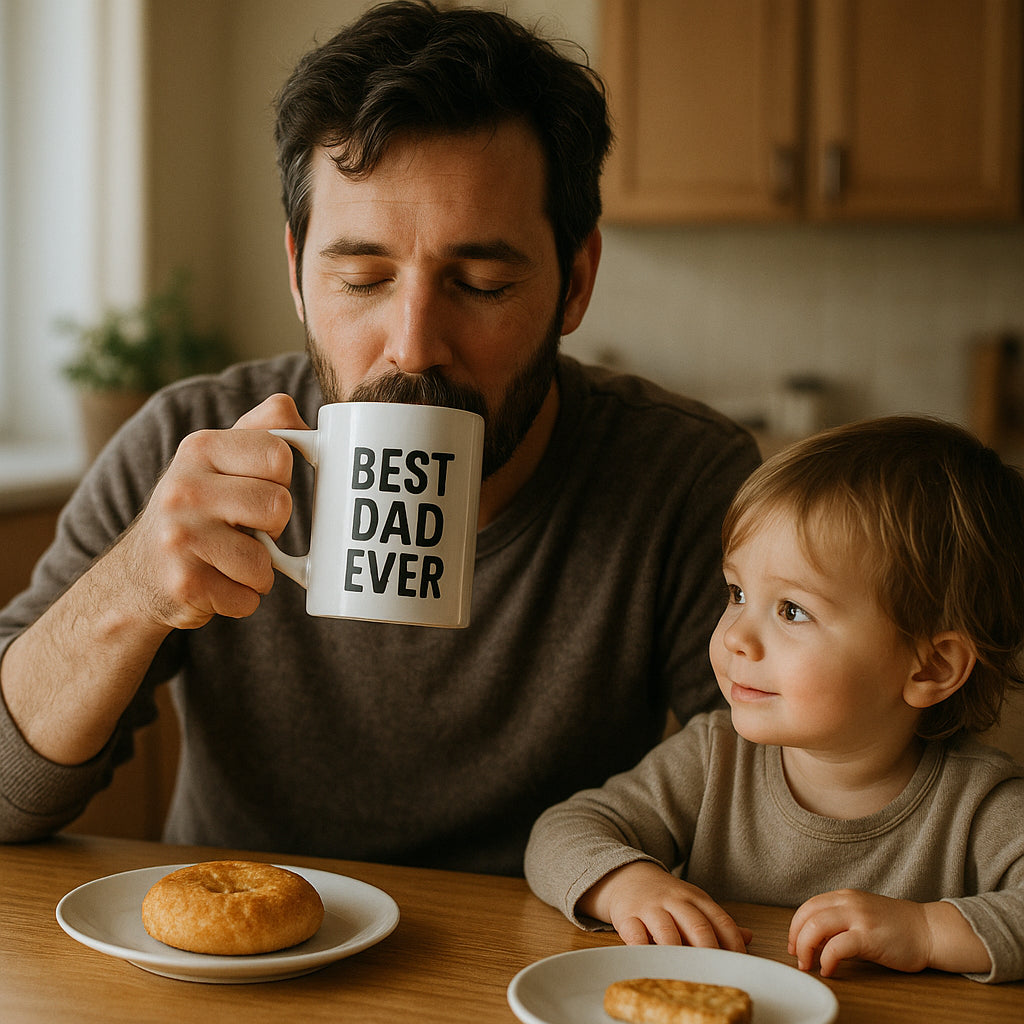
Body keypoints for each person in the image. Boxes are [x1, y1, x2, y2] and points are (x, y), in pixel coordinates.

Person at [0, 2, 758, 874]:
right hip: (243, 971)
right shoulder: (187, 442)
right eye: (361, 278)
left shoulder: (686, 481)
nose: (413, 344)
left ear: (575, 283)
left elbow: (783, 794)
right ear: (295, 273)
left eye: (479, 283)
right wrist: (130, 588)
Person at [525, 416, 1024, 982]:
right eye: (737, 593)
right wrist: (626, 884)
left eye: (792, 610)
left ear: (931, 666)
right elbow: (562, 832)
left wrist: (929, 931)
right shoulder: (715, 758)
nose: (735, 635)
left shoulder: (980, 804)